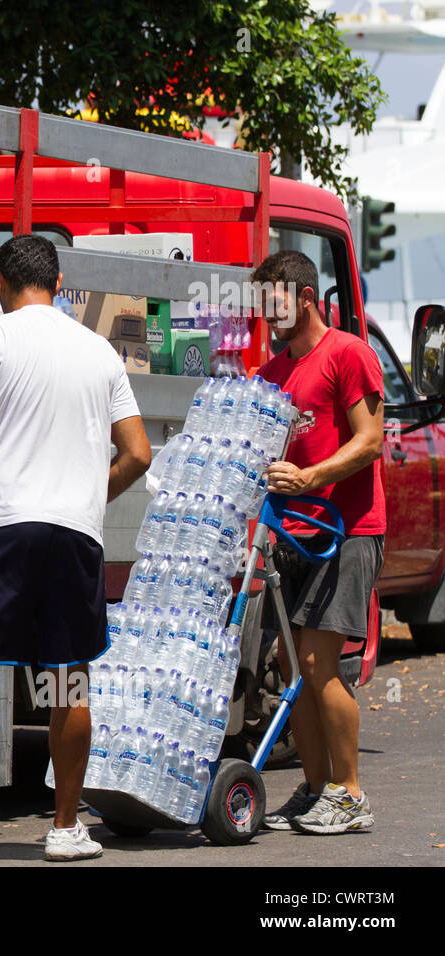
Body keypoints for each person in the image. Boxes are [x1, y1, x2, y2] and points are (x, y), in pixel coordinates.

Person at [0, 235, 151, 865]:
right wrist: (87, 494)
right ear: (59, 279)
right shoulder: (101, 351)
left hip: (0, 526)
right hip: (75, 531)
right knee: (67, 677)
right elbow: (138, 454)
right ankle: (68, 829)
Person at [254, 250, 384, 835]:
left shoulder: (348, 353)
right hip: (294, 538)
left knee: (317, 660)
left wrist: (310, 479)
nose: (265, 310)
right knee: (291, 665)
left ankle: (351, 795)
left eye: (274, 298)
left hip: (349, 532)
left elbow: (371, 441)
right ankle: (312, 791)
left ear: (304, 296)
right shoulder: (272, 373)